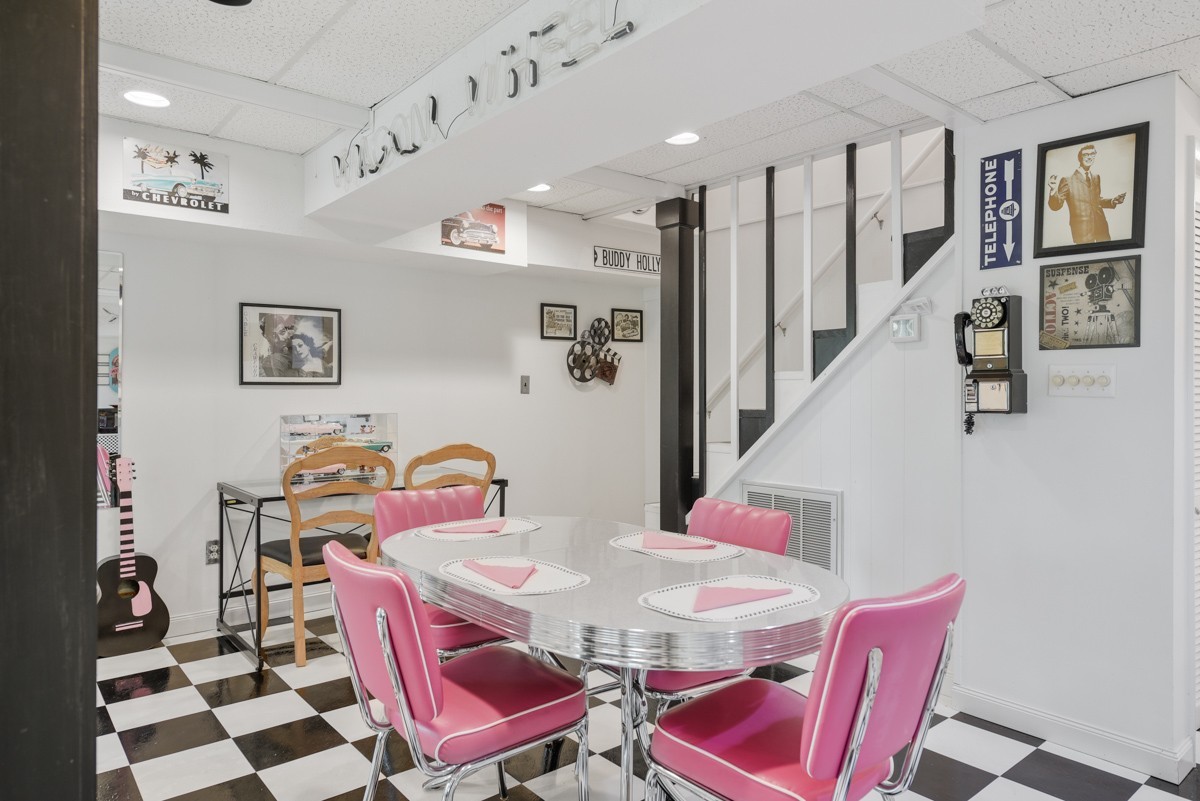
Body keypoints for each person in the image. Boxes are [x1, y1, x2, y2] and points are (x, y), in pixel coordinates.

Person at [1046, 143, 1127, 244]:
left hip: (1102, 228)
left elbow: (1096, 201)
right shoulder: (1067, 180)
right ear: (1080, 158)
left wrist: (1112, 201)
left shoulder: (1096, 177)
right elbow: (1055, 206)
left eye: (1092, 154)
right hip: (1082, 231)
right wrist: (1053, 190)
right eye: (1086, 155)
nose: (1089, 157)